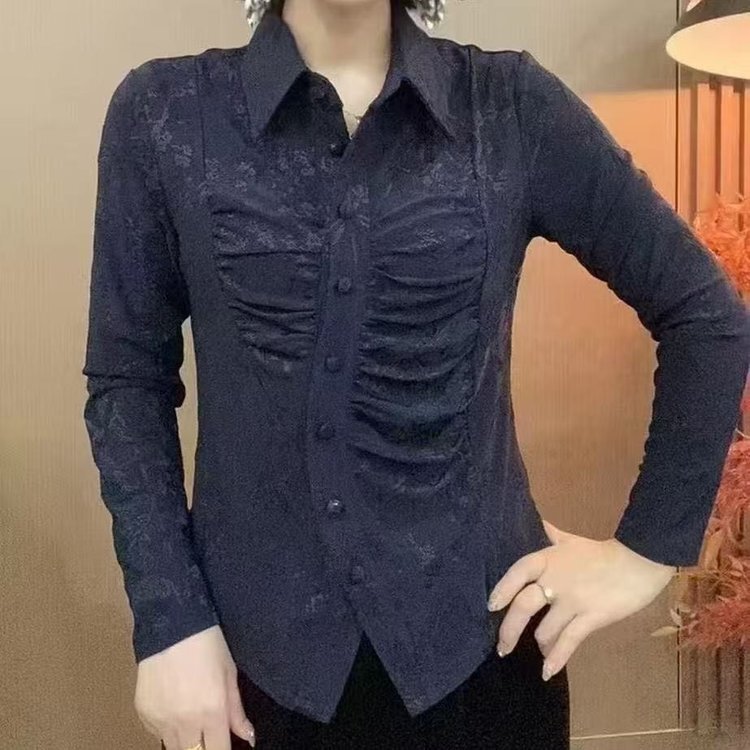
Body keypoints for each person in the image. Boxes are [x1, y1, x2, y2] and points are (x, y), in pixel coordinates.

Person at [81, 0, 750, 748]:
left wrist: (645, 555)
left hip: (484, 674)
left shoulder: (510, 106)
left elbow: (706, 316)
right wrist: (170, 620)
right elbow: (127, 381)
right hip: (244, 678)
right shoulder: (164, 112)